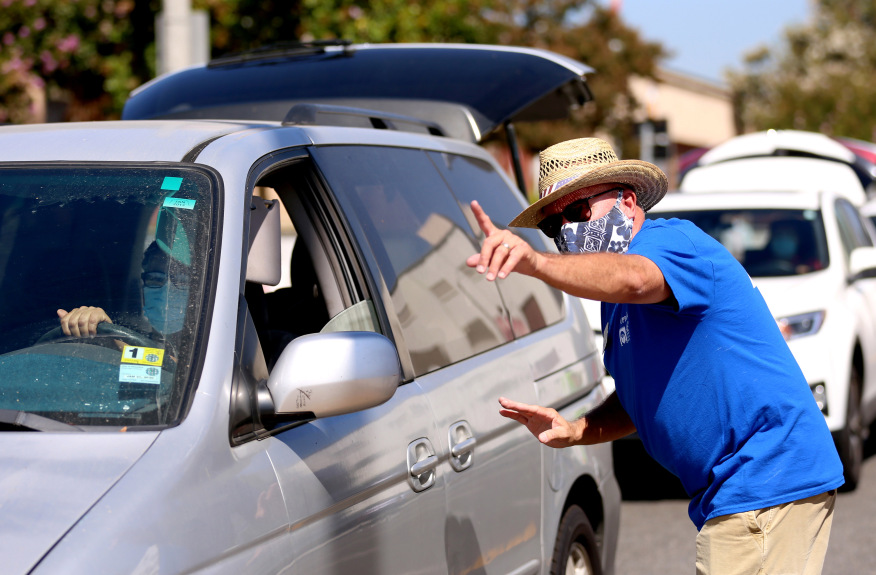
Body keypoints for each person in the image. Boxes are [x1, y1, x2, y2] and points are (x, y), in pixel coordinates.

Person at [466, 137, 844, 575]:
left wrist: (535, 263)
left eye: (576, 212)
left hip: (765, 475)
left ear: (627, 200)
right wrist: (575, 430)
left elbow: (636, 278)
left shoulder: (674, 244)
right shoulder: (613, 303)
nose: (566, 232)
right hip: (736, 489)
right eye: (553, 227)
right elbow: (639, 399)